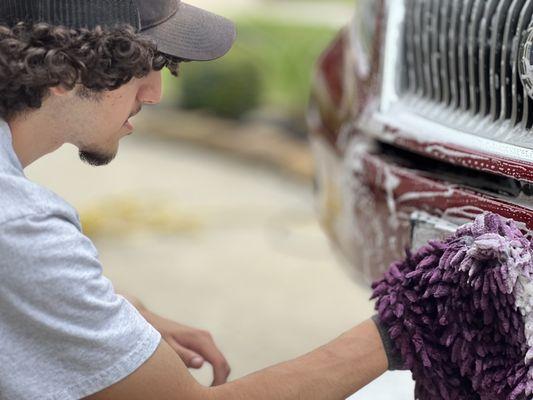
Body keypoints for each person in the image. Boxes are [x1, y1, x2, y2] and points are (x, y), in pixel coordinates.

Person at [0, 1, 400, 399]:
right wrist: (403, 329)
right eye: (141, 61)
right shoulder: (22, 222)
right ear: (64, 69)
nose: (155, 92)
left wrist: (102, 310)